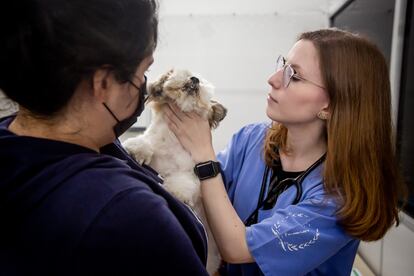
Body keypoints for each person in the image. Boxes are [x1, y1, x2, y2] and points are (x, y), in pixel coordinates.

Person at [163, 28, 406, 275]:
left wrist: (204, 153)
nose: (274, 79)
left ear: (331, 105)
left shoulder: (338, 200)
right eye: (283, 64)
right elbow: (205, 195)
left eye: (295, 76)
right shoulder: (251, 138)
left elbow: (236, 249)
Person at [0, 0, 208, 275]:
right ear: (103, 83)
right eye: (142, 72)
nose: (145, 86)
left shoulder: (12, 140)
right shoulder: (130, 216)